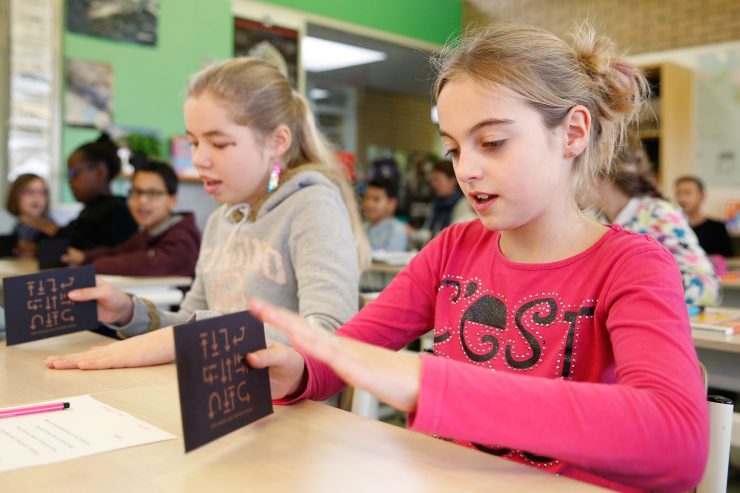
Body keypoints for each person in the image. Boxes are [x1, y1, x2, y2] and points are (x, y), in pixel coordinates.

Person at [242, 24, 708, 492]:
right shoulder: (452, 250)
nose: (466, 169)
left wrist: (431, 385)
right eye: (453, 148)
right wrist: (300, 369)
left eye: (492, 143)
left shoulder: (632, 266)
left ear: (572, 132)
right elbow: (348, 354)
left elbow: (677, 441)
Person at [44, 57, 368, 362]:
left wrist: (207, 332)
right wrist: (128, 312)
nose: (199, 159)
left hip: (293, 409)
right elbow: (188, 322)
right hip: (215, 395)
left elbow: (330, 333)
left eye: (219, 143)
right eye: (194, 143)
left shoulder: (311, 205)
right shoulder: (220, 220)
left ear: (277, 141)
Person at [590, 142, 719, 306]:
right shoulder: (592, 219)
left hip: (656, 321)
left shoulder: (659, 213)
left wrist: (632, 296)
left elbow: (705, 286)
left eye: (578, 169)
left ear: (603, 175)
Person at [61, 160, 201, 278]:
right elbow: (119, 252)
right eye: (136, 192)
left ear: (172, 200)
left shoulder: (183, 238)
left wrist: (90, 267)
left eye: (152, 194)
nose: (142, 201)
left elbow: (147, 265)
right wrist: (84, 257)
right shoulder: (148, 233)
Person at [22, 133, 139, 249]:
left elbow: (101, 252)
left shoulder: (118, 212)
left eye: (73, 173)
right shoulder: (89, 211)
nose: (69, 180)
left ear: (99, 172)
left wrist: (52, 229)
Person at [675, 175, 734, 275]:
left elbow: (729, 261)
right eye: (678, 193)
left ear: (702, 196)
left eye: (688, 193)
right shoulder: (674, 229)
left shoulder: (717, 227)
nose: (682, 198)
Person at [5, 173, 53, 256]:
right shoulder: (20, 226)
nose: (37, 197)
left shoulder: (51, 228)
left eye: (42, 192)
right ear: (15, 195)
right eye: (29, 191)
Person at [362, 178, 408, 252]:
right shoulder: (363, 228)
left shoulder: (397, 231)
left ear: (392, 204)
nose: (369, 204)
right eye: (367, 198)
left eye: (376, 199)